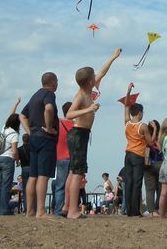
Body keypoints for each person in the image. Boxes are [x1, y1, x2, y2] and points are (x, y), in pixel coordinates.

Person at [66, 48, 122, 219]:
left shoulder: (88, 90)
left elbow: (102, 72)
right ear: (90, 81)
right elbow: (68, 114)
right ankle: (72, 210)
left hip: (82, 134)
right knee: (77, 173)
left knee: (74, 172)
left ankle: (67, 206)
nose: (97, 77)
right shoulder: (81, 96)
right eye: (94, 77)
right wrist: (89, 109)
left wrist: (113, 57)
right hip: (78, 134)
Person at [20, 73, 59, 219]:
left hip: (34, 138)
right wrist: (49, 127)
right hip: (45, 139)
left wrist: (30, 131)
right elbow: (49, 109)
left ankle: (29, 211)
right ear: (53, 82)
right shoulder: (49, 94)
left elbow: (22, 116)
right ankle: (41, 211)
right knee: (43, 176)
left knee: (33, 176)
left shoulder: (34, 96)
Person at [122, 82, 157, 217]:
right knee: (137, 183)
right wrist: (154, 129)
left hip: (128, 154)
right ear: (140, 113)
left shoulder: (127, 122)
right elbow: (151, 142)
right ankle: (135, 211)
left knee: (129, 182)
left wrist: (128, 91)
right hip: (138, 155)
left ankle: (129, 211)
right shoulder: (142, 126)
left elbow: (126, 105)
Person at [0, 99, 21, 215]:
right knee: (6, 185)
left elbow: (10, 115)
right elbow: (14, 151)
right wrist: (17, 160)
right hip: (8, 160)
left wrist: (15, 104)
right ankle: (4, 209)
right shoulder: (14, 134)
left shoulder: (4, 129)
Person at [54, 102, 73, 216]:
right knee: (71, 185)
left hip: (60, 157)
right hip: (72, 157)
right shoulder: (76, 124)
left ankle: (58, 210)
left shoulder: (59, 123)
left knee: (59, 185)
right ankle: (69, 209)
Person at [143, 120, 162, 217]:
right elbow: (159, 148)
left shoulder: (144, 136)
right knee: (160, 189)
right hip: (159, 164)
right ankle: (157, 209)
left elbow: (150, 143)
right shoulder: (161, 137)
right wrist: (155, 129)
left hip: (148, 164)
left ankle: (151, 211)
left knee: (150, 189)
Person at [17, 134, 31, 212]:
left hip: (24, 168)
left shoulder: (19, 149)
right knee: (33, 188)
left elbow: (17, 158)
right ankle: (33, 208)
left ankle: (26, 208)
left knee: (25, 189)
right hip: (32, 168)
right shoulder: (32, 148)